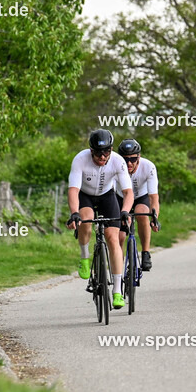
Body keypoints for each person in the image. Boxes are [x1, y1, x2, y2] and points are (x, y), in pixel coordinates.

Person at [66, 129, 133, 309]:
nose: (102, 157)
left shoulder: (118, 161)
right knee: (86, 220)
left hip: (107, 196)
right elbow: (73, 190)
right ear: (91, 151)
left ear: (111, 150)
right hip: (85, 195)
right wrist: (74, 213)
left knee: (113, 238)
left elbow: (128, 192)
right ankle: (84, 257)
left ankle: (117, 292)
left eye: (106, 152)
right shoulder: (80, 159)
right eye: (98, 153)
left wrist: (125, 211)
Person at [115, 139, 160, 271]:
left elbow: (153, 197)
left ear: (139, 157)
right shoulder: (115, 165)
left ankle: (145, 252)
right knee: (121, 235)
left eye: (133, 159)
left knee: (141, 214)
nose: (129, 163)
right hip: (121, 197)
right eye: (125, 159)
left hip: (141, 196)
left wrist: (154, 217)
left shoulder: (148, 166)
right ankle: (117, 265)